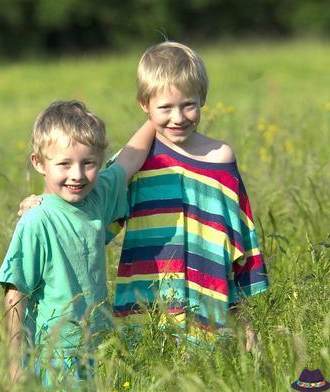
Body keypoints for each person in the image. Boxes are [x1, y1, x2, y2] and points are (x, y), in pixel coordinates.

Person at [19, 41, 269, 349]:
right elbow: (83, 203)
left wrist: (247, 323)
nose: (178, 118)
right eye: (165, 107)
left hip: (211, 308)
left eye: (188, 104)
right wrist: (41, 203)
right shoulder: (138, 162)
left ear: (203, 98)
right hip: (146, 314)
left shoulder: (220, 158)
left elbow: (239, 246)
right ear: (145, 105)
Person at [0, 100, 154, 385]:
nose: (77, 175)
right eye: (64, 164)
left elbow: (130, 158)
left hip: (102, 348)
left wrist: (160, 115)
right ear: (38, 163)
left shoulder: (98, 196)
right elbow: (15, 294)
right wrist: (14, 366)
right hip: (55, 355)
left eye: (88, 163)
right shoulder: (36, 220)